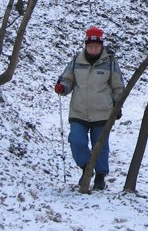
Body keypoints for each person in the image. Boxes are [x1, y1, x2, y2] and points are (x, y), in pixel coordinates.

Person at [54, 26, 125, 191]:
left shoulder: (110, 62)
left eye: (97, 46)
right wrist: (62, 87)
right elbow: (67, 80)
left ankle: (100, 175)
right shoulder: (77, 61)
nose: (93, 49)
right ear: (86, 45)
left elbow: (118, 86)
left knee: (100, 144)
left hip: (103, 111)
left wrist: (118, 105)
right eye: (90, 46)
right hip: (79, 111)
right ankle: (86, 169)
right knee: (76, 140)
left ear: (101, 46)